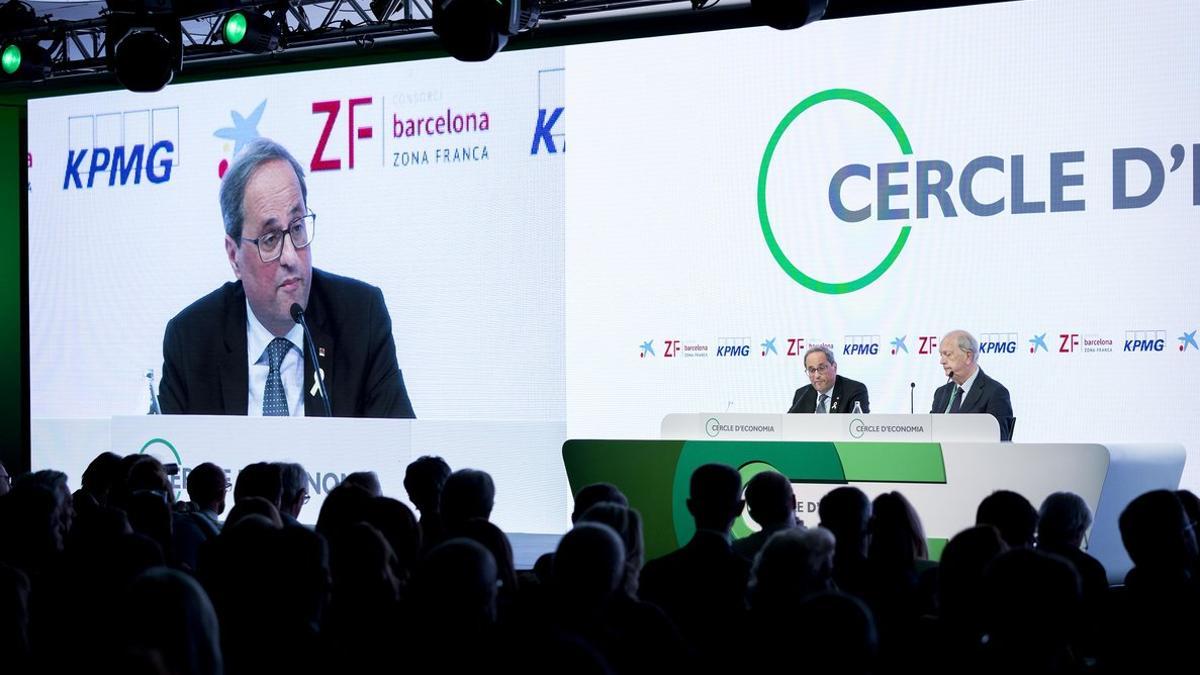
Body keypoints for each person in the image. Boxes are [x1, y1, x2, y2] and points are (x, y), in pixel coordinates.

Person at [158, 137, 415, 418]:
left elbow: (398, 452)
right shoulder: (191, 340)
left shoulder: (360, 320)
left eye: (297, 228)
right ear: (234, 256)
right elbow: (166, 458)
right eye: (270, 239)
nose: (291, 257)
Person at [930, 330, 1013, 440]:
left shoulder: (995, 393)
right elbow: (930, 434)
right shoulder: (941, 393)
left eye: (948, 354)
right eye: (941, 355)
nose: (942, 361)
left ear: (968, 356)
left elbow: (1000, 442)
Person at [787, 345, 870, 414]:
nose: (816, 376)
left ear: (834, 367)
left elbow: (858, 426)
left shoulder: (855, 390)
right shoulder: (801, 394)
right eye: (812, 370)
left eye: (821, 368)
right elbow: (790, 424)